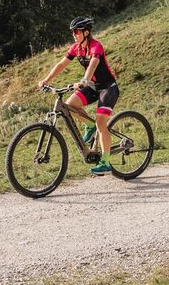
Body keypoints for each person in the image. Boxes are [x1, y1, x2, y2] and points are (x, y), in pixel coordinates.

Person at [37, 16, 119, 175]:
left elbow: (93, 64)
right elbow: (61, 64)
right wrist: (46, 80)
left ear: (86, 32)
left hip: (108, 87)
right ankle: (89, 126)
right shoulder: (77, 47)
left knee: (101, 122)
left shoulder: (96, 46)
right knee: (70, 105)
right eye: (73, 32)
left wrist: (84, 80)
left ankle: (106, 162)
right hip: (93, 87)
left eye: (76, 32)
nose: (74, 34)